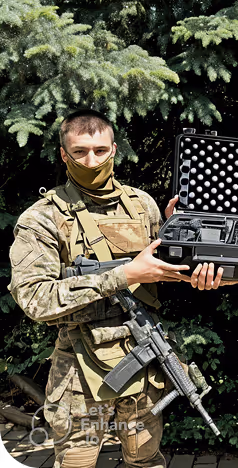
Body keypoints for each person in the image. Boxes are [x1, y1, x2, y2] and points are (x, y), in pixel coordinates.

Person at [8, 109, 211, 468]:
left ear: (114, 149)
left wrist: (192, 258)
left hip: (144, 363)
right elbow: (34, 299)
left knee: (146, 461)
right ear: (63, 154)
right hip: (79, 379)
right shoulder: (42, 217)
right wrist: (123, 275)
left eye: (100, 150)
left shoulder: (142, 204)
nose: (91, 160)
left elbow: (162, 268)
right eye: (80, 151)